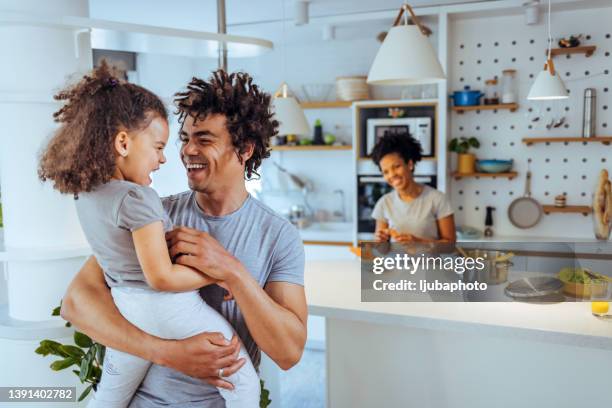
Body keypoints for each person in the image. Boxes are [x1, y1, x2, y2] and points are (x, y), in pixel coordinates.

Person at [59, 69, 307, 407]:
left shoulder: (278, 236)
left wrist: (231, 270)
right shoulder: (155, 214)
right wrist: (168, 353)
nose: (187, 150)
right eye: (184, 138)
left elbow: (289, 353)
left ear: (245, 149)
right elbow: (76, 305)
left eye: (204, 139)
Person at [370, 132, 456, 243]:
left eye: (396, 167)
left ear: (410, 164)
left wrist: (419, 243)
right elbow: (381, 250)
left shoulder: (437, 199)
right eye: (385, 172)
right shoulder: (384, 203)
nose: (391, 175)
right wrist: (379, 241)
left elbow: (450, 245)